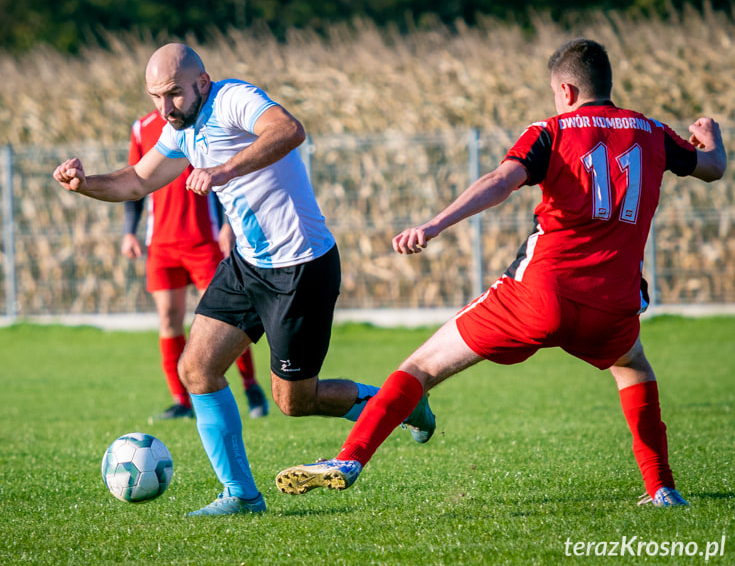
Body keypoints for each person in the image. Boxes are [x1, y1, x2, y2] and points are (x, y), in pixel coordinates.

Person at [275, 38, 727, 508]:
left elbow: (499, 182)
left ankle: (349, 459)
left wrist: (434, 224)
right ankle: (662, 489)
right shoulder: (652, 132)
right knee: (633, 368)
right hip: (612, 304)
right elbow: (713, 167)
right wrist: (708, 134)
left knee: (420, 367)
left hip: (540, 294)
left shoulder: (551, 130)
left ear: (567, 90)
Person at [53, 43, 435, 516]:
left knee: (295, 401)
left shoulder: (232, 98)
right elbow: (135, 181)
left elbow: (288, 129)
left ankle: (401, 405)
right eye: (155, 97)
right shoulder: (180, 131)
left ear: (202, 82)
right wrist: (83, 183)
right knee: (196, 368)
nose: (165, 108)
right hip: (248, 266)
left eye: (173, 93)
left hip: (300, 268)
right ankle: (240, 495)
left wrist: (222, 171)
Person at [122, 108, 268, 421]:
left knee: (221, 320)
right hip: (161, 244)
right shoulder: (141, 128)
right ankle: (181, 401)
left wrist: (229, 223)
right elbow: (134, 181)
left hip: (204, 241)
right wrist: (128, 233)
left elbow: (226, 174)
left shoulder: (200, 122)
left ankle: (251, 387)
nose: (166, 100)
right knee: (168, 318)